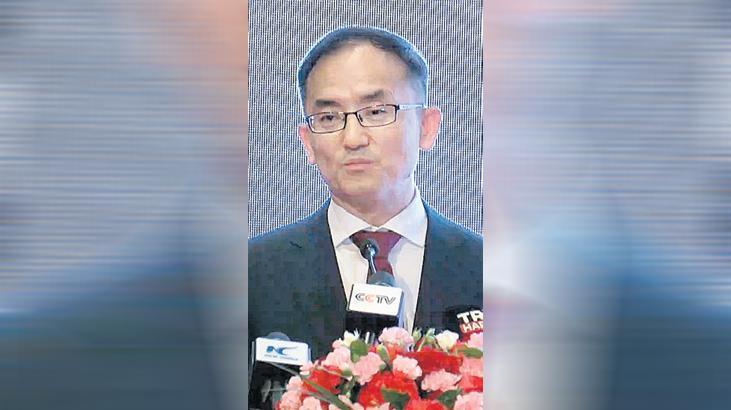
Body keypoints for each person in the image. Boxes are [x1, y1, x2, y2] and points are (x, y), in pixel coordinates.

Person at [248, 26, 482, 359]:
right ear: (307, 142)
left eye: (375, 112)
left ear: (426, 127)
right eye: (328, 117)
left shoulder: (488, 269)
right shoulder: (251, 274)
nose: (353, 138)